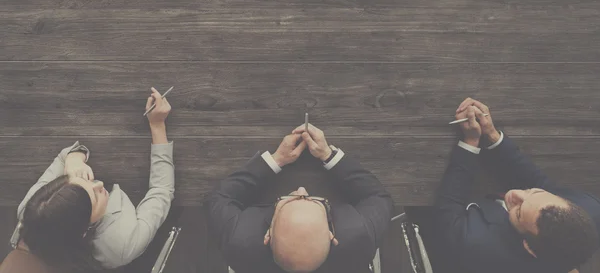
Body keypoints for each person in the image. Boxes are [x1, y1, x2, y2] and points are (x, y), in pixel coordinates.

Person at [9, 88, 174, 272]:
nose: (99, 183)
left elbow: (64, 156)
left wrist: (74, 158)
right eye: (95, 197)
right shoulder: (120, 246)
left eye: (73, 180)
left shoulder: (33, 210)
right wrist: (158, 126)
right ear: (84, 230)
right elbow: (162, 191)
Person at [431, 97, 600, 273]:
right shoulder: (593, 209)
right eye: (534, 192)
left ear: (528, 246)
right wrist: (492, 135)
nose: (514, 194)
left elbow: (448, 207)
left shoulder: (477, 244)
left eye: (518, 213)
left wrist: (471, 142)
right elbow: (540, 181)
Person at [205, 123, 393, 273]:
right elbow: (377, 196)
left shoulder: (239, 241)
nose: (301, 188)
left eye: (289, 199)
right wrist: (328, 155)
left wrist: (276, 159)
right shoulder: (359, 239)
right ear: (331, 235)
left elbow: (221, 197)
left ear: (268, 234)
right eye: (313, 199)